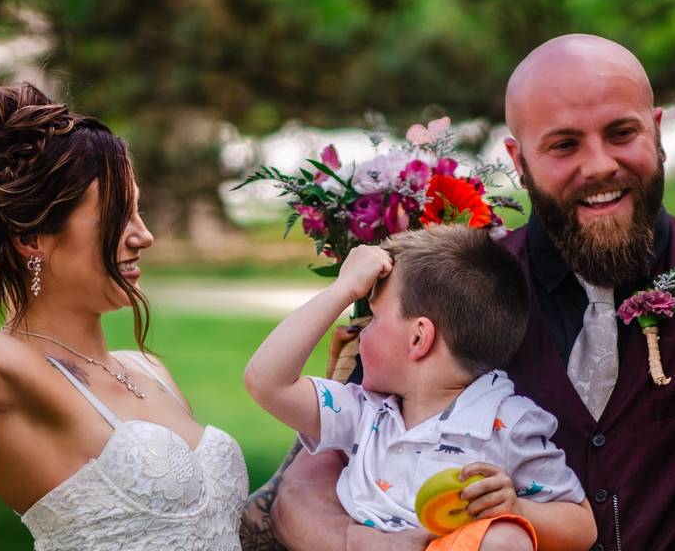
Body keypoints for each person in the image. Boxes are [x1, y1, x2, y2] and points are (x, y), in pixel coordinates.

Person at [261, 37, 675, 551]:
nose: (599, 164)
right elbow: (302, 485)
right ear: (518, 160)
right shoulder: (456, 289)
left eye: (621, 133)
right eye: (564, 144)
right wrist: (360, 541)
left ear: (656, 129)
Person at [0, 84, 248, 550]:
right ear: (33, 237)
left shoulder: (151, 370)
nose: (143, 235)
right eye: (116, 214)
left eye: (138, 209)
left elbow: (214, 530)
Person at [244, 225, 596, 551]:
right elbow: (266, 382)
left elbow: (582, 527)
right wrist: (341, 289)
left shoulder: (507, 424)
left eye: (375, 318)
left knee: (505, 539)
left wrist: (516, 507)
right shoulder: (363, 412)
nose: (362, 333)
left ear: (418, 338)